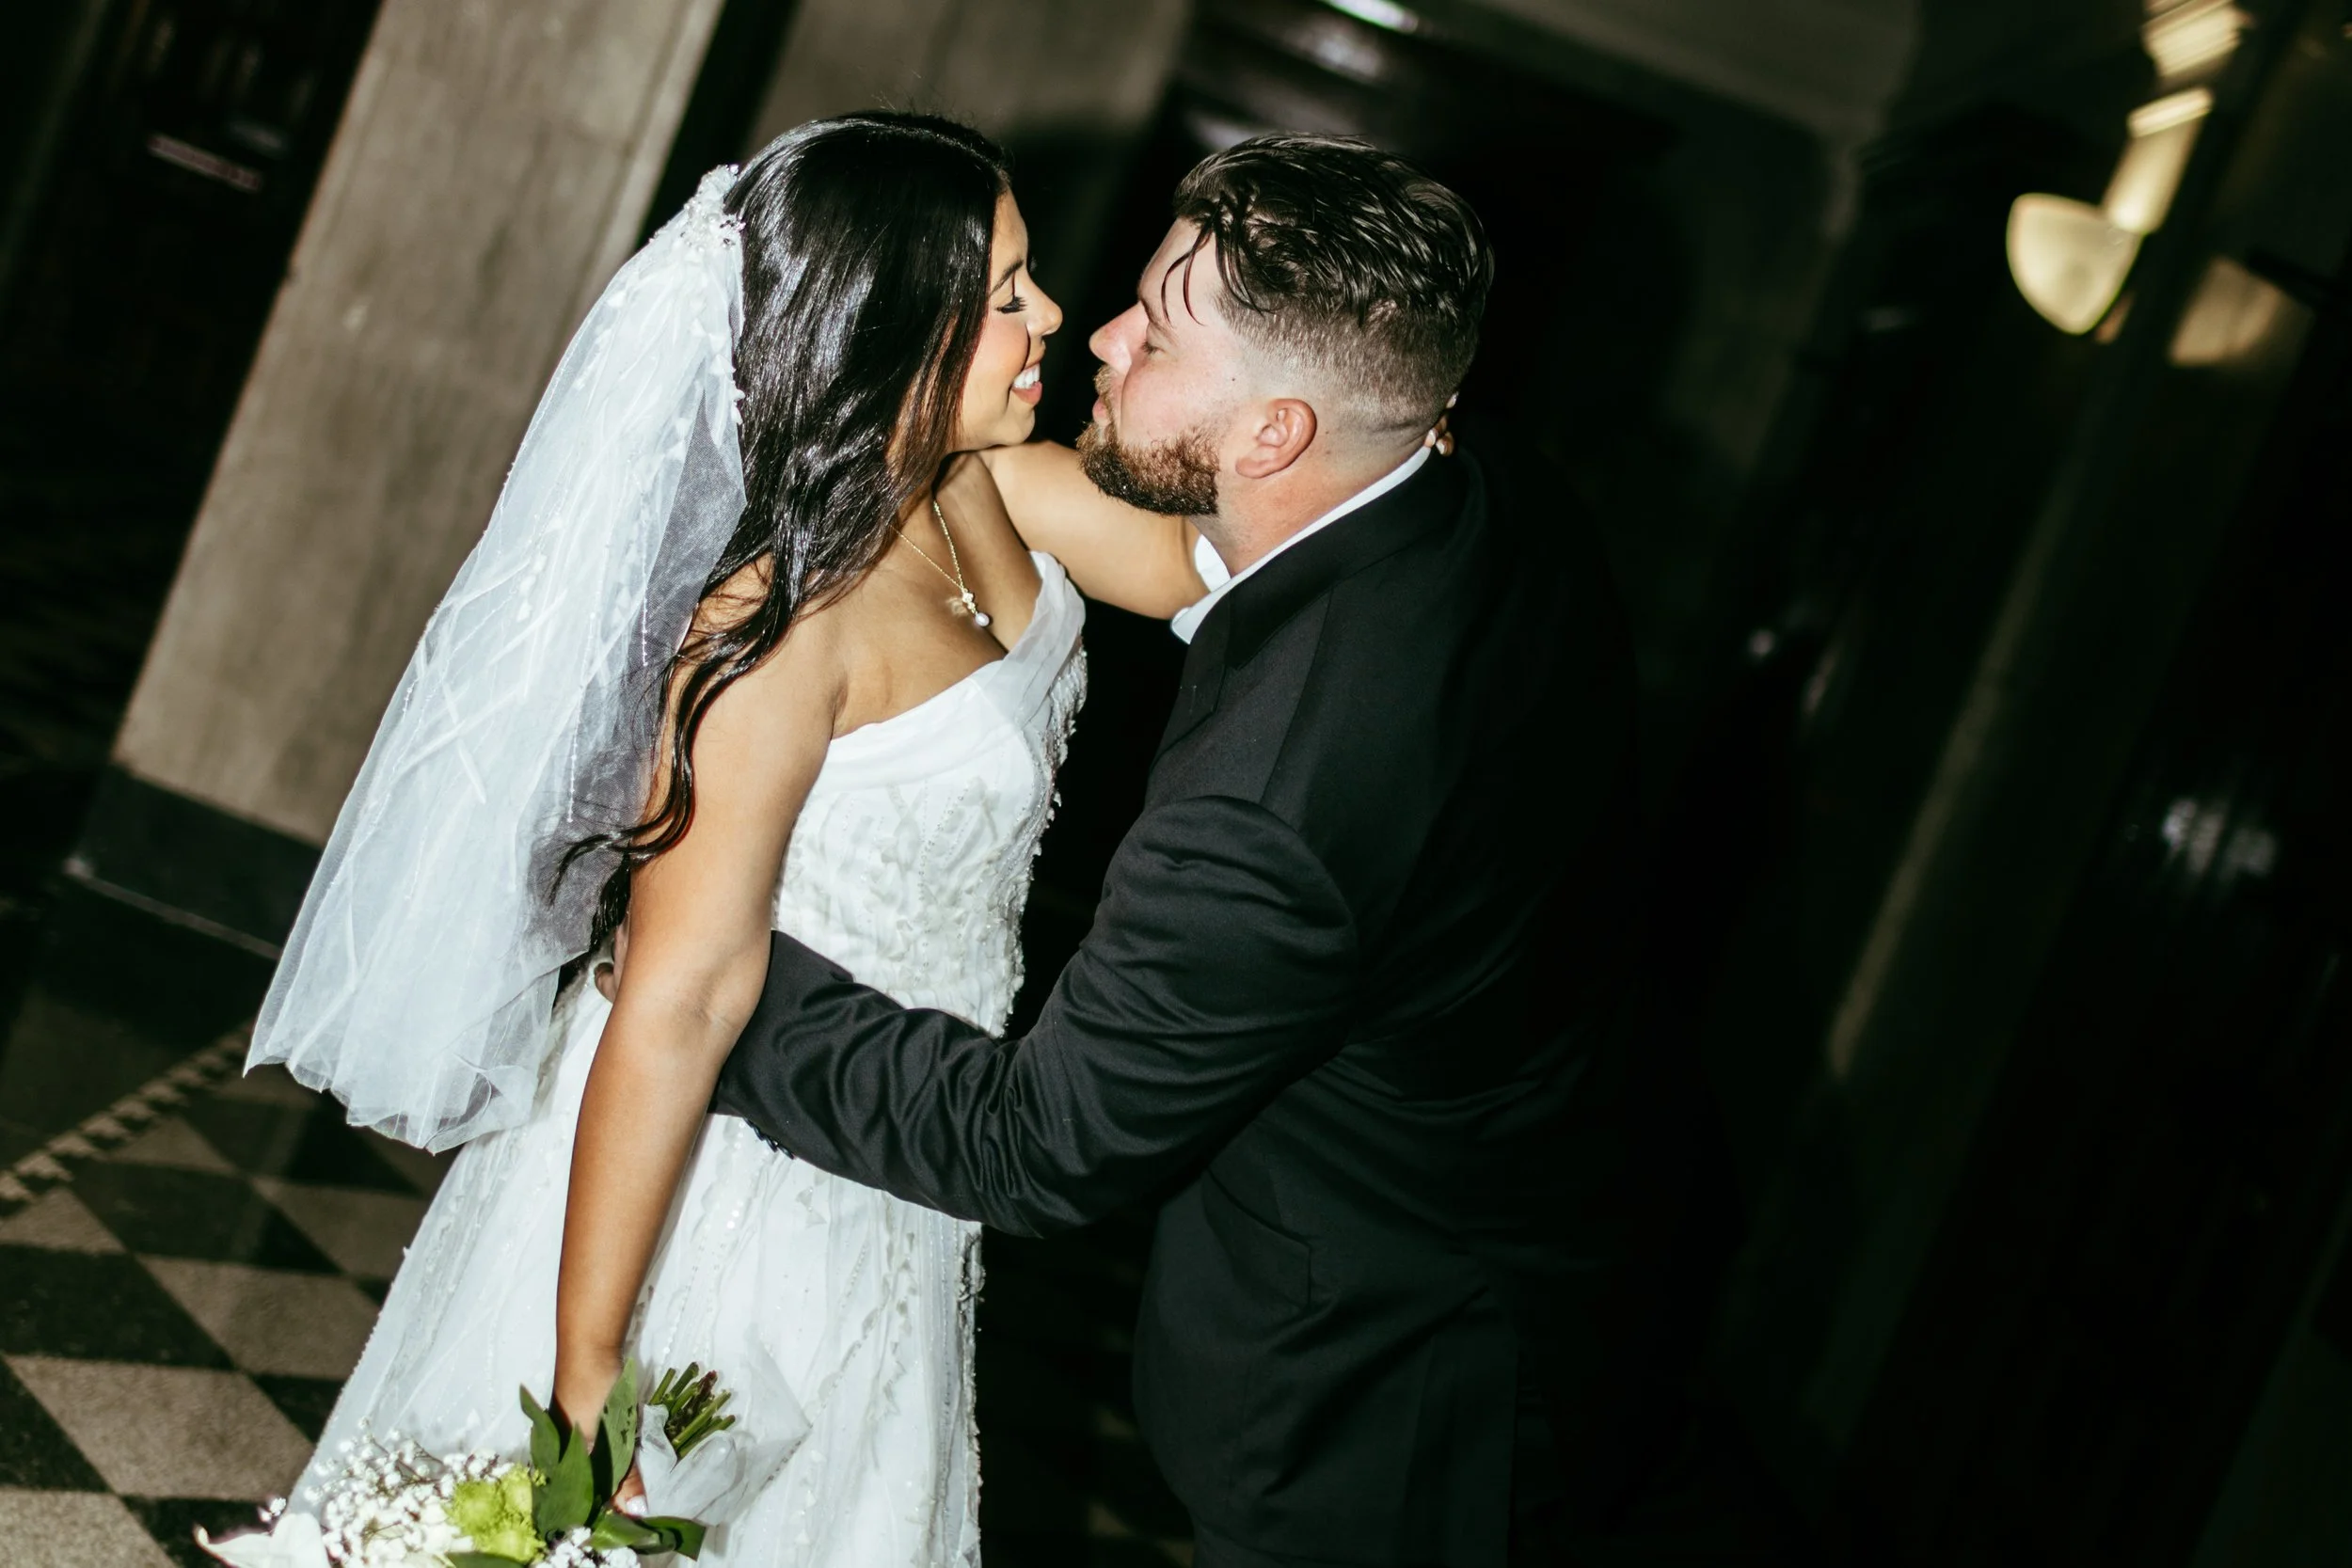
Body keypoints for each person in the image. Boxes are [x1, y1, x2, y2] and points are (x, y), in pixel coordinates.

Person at [244, 113, 1200, 1565]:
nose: (1049, 317)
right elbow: (680, 998)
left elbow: (1211, 562)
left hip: (910, 1157)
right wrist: (587, 1360)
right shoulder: (768, 638)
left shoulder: (987, 484)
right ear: (895, 329)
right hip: (727, 1168)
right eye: (1005, 294)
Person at [707, 134, 1649, 1565]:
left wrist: (713, 977)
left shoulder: (1280, 808)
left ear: (1275, 435)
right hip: (1541, 1226)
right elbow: (1173, 558)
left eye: (1156, 328)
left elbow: (1036, 1146)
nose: (1101, 331)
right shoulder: (1475, 490)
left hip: (1383, 1407)